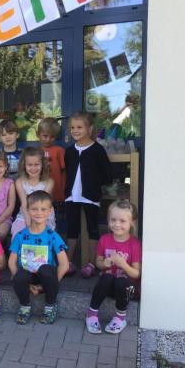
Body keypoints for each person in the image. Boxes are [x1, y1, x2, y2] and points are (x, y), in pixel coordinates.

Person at [8, 190, 70, 325]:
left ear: (50, 211)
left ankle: (50, 306)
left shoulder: (52, 235)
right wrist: (27, 284)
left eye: (43, 209)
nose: (39, 213)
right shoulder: (20, 236)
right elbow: (12, 262)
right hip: (28, 276)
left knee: (47, 270)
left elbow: (64, 264)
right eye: (34, 209)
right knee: (19, 275)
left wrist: (50, 283)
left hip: (46, 277)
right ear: (28, 210)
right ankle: (24, 307)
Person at [64, 111, 112, 278]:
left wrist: (97, 185)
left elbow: (107, 174)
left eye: (79, 127)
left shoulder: (98, 150)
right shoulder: (69, 151)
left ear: (90, 129)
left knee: (93, 229)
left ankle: (92, 263)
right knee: (71, 229)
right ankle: (68, 263)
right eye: (72, 127)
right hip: (71, 196)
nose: (75, 130)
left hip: (90, 196)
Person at [86, 200, 142, 334]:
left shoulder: (135, 244)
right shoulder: (104, 239)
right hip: (110, 287)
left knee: (121, 281)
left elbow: (136, 274)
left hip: (128, 290)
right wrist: (103, 264)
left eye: (122, 221)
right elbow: (98, 263)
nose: (117, 224)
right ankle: (91, 314)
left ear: (132, 222)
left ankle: (120, 317)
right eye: (113, 220)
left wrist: (123, 265)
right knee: (106, 277)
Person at [11, 147, 55, 237]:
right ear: (24, 165)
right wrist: (29, 224)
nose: (33, 168)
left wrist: (37, 226)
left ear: (42, 165)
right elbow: (24, 204)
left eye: (36, 164)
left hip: (44, 215)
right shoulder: (19, 182)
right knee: (18, 234)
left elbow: (43, 204)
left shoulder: (49, 182)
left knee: (45, 236)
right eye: (30, 165)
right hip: (25, 215)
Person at [38, 117, 66, 209]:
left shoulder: (59, 151)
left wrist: (63, 191)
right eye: (45, 136)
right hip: (39, 192)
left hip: (57, 193)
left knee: (57, 219)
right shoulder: (35, 151)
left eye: (52, 136)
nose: (48, 139)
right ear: (38, 134)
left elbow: (64, 172)